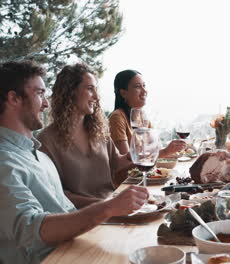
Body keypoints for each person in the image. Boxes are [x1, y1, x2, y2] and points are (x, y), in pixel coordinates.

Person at [0, 60, 148, 264]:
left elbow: (66, 210)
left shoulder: (37, 156)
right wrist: (108, 208)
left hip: (79, 245)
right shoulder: (6, 161)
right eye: (40, 93)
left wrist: (117, 211)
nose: (46, 103)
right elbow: (30, 229)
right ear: (13, 98)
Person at [38, 63, 134, 208]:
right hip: (80, 219)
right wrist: (106, 204)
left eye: (96, 90)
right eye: (90, 89)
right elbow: (57, 194)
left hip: (112, 210)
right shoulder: (46, 141)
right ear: (70, 92)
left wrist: (139, 154)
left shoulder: (99, 131)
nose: (96, 96)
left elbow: (116, 163)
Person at [108, 69, 185, 155]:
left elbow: (157, 147)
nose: (144, 91)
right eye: (137, 86)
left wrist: (170, 150)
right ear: (123, 93)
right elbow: (125, 158)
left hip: (145, 167)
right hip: (130, 169)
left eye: (144, 86)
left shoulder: (142, 116)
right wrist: (165, 151)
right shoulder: (117, 117)